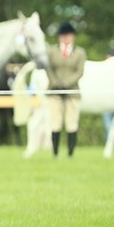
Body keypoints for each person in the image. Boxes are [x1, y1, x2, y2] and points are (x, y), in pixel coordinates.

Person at [45, 21, 86, 157]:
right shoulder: (52, 51)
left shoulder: (79, 53)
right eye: (63, 35)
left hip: (72, 91)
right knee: (55, 122)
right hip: (54, 91)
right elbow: (48, 68)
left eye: (68, 35)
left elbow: (79, 72)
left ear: (73, 36)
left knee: (71, 122)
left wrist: (66, 84)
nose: (66, 38)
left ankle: (70, 152)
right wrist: (56, 83)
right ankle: (55, 152)